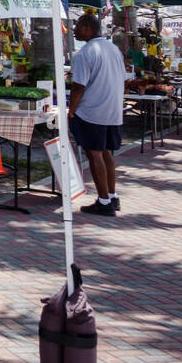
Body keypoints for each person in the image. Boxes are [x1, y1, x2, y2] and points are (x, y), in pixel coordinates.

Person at [69, 14, 126, 216]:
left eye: (77, 26)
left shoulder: (85, 53)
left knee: (94, 153)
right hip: (113, 109)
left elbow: (78, 86)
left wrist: (72, 110)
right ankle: (111, 196)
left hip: (93, 110)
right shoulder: (113, 49)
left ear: (86, 28)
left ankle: (103, 201)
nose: (74, 30)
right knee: (106, 152)